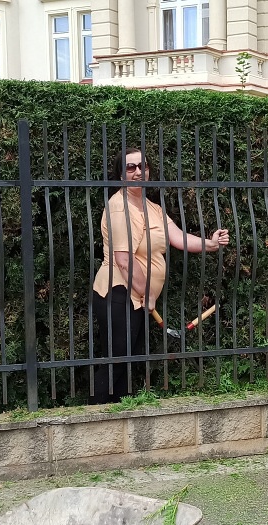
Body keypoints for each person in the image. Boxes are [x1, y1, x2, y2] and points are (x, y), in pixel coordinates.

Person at [90, 148, 229, 404]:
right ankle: (95, 415)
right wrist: (147, 293)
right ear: (120, 175)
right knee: (116, 361)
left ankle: (118, 415)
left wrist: (210, 244)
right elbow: (124, 259)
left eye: (142, 166)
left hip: (136, 297)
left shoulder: (151, 207)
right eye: (130, 167)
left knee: (127, 360)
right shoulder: (120, 208)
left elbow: (178, 237)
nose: (138, 172)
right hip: (118, 293)